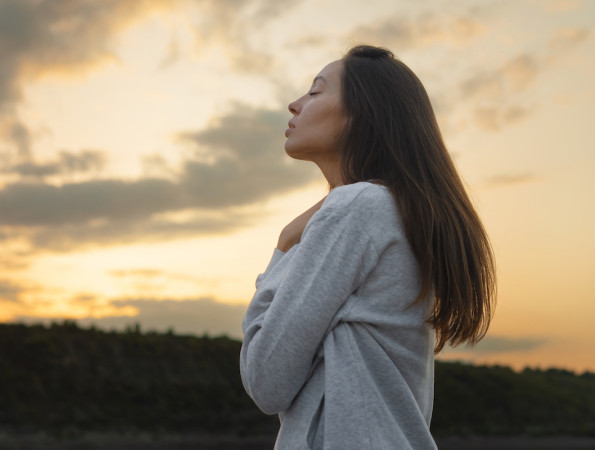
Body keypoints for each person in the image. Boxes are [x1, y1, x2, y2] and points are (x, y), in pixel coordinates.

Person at [240, 45, 496, 449]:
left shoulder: (358, 207)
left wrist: (285, 246)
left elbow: (266, 380)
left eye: (315, 92)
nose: (294, 104)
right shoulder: (399, 212)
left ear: (362, 113)